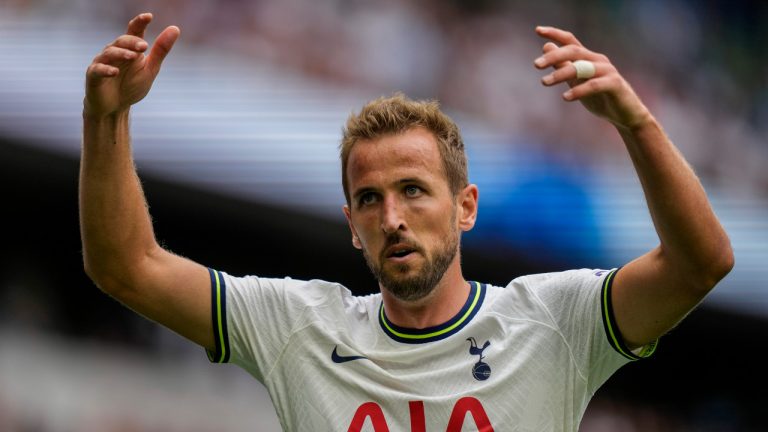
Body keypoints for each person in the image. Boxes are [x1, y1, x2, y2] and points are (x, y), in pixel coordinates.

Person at [80, 12, 733, 432]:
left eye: (414, 191)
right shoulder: (300, 326)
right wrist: (106, 118)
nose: (391, 217)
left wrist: (637, 123)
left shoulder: (554, 322)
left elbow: (701, 263)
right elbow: (127, 267)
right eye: (369, 200)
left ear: (465, 207)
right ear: (350, 224)